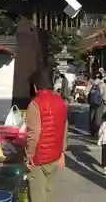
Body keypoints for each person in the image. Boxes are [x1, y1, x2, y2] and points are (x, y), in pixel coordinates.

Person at [25, 73, 68, 202]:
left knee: (38, 196)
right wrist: (62, 150)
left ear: (34, 87)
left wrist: (28, 156)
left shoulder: (35, 104)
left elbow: (33, 134)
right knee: (47, 193)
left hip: (39, 160)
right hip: (55, 156)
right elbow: (65, 127)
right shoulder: (60, 101)